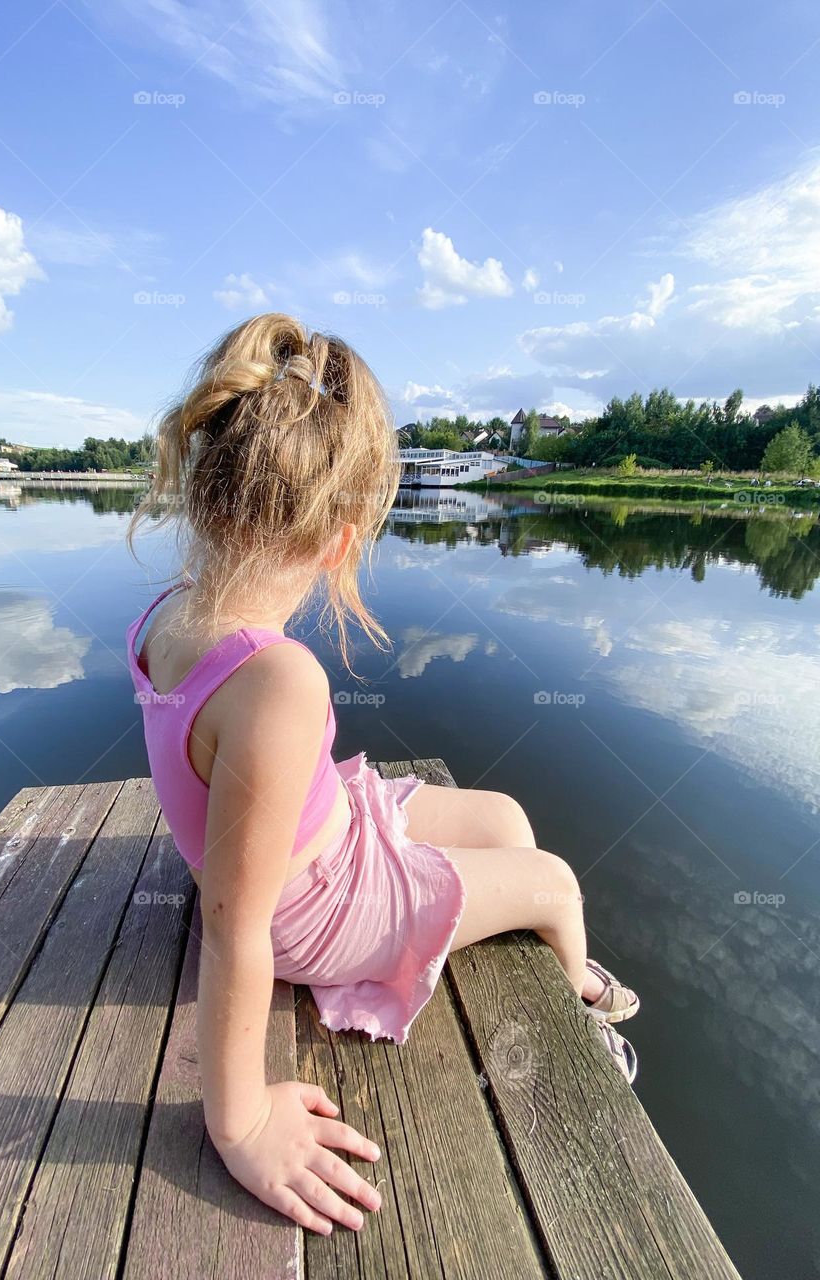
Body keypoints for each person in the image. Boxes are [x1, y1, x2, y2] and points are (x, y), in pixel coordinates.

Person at [126, 313, 639, 1238]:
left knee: (509, 820)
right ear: (339, 541)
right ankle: (582, 1014)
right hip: (310, 903)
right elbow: (233, 928)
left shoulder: (168, 616)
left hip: (321, 837)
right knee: (556, 883)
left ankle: (499, 937)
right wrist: (238, 1123)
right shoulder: (277, 679)